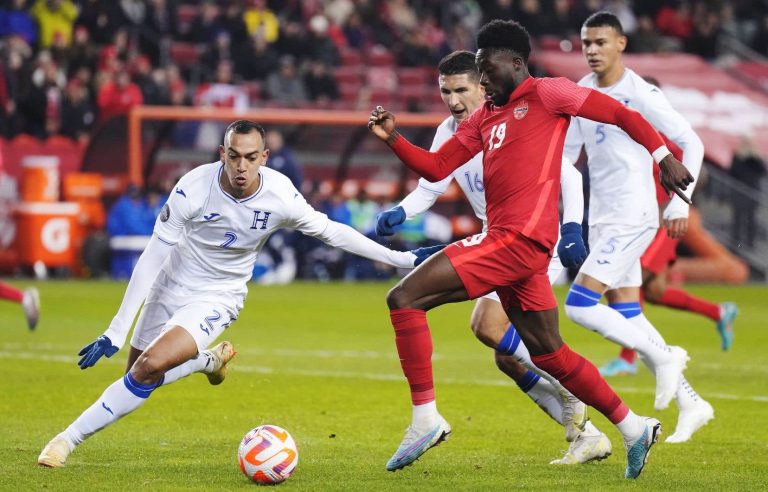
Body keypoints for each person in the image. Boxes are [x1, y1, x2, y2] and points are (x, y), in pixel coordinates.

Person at [367, 19, 694, 479]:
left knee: (403, 299)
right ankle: (634, 426)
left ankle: (425, 419)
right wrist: (395, 140)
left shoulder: (550, 93)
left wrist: (663, 157)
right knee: (550, 354)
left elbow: (622, 114)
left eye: (486, 68)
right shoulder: (484, 117)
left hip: (515, 241)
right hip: (520, 252)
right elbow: (439, 165)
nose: (482, 80)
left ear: (515, 63)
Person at [38, 120, 442, 468]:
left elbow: (331, 230)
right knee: (138, 374)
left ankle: (65, 440)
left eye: (250, 157)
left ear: (264, 157)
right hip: (170, 283)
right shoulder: (192, 189)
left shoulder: (280, 195)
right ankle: (206, 362)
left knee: (148, 369)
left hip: (218, 295)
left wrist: (400, 260)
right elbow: (151, 259)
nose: (241, 166)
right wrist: (116, 329)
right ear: (222, 154)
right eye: (234, 156)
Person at [375, 50, 610, 465]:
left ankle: (572, 388)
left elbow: (569, 175)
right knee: (507, 356)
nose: (452, 100)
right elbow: (432, 183)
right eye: (445, 91)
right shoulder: (451, 130)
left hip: (533, 237)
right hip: (496, 239)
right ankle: (586, 434)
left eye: (461, 89)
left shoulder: (511, 119)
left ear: (482, 85)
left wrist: (573, 226)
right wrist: (402, 211)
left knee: (487, 325)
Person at [562, 12, 712, 444]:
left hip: (634, 214)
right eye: (586, 43)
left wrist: (679, 202)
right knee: (629, 312)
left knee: (580, 303)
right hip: (601, 218)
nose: (592, 50)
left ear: (621, 44)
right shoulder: (581, 95)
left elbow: (692, 141)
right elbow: (568, 160)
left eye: (601, 42)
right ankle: (691, 402)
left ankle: (666, 359)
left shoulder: (640, 93)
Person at [602, 114, 738, 377]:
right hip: (640, 220)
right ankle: (719, 312)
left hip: (663, 221)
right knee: (654, 291)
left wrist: (677, 203)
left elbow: (702, 173)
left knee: (633, 280)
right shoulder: (628, 139)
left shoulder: (666, 139)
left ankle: (627, 358)